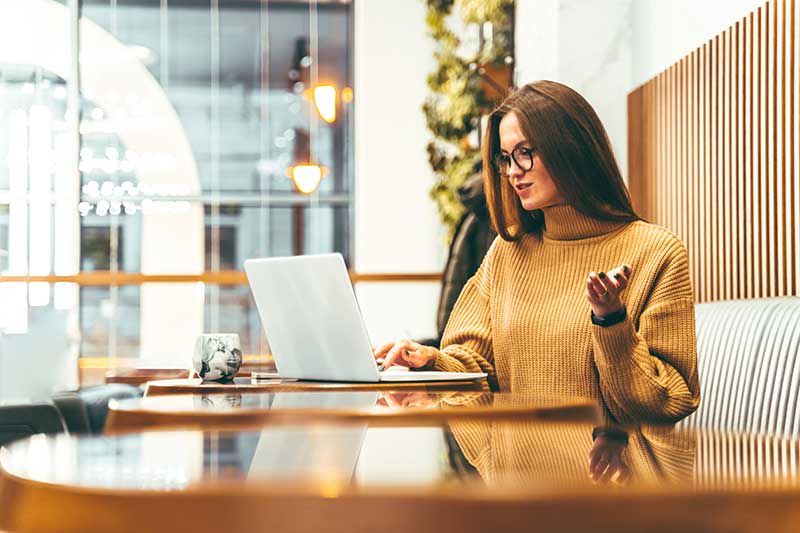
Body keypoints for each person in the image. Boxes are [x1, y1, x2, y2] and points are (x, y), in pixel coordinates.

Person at [374, 80, 700, 425]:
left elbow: (668, 402)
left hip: (610, 473)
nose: (513, 171)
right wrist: (431, 361)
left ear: (571, 149)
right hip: (516, 476)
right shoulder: (507, 251)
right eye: (505, 158)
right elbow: (479, 365)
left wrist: (611, 321)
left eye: (525, 153)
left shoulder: (656, 252)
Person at [418, 170, 496, 348]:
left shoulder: (479, 211)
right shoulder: (490, 216)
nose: (514, 171)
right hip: (473, 341)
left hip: (468, 339)